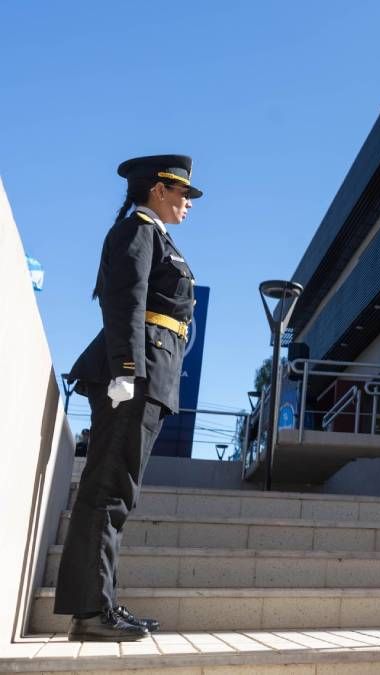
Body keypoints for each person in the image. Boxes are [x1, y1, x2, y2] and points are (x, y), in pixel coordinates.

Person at [58, 155, 201, 641]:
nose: (186, 202)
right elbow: (125, 300)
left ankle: (102, 605)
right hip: (134, 378)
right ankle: (91, 612)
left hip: (153, 377)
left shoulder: (158, 236)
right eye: (181, 193)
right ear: (158, 190)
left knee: (119, 491)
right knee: (108, 490)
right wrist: (125, 370)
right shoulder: (136, 231)